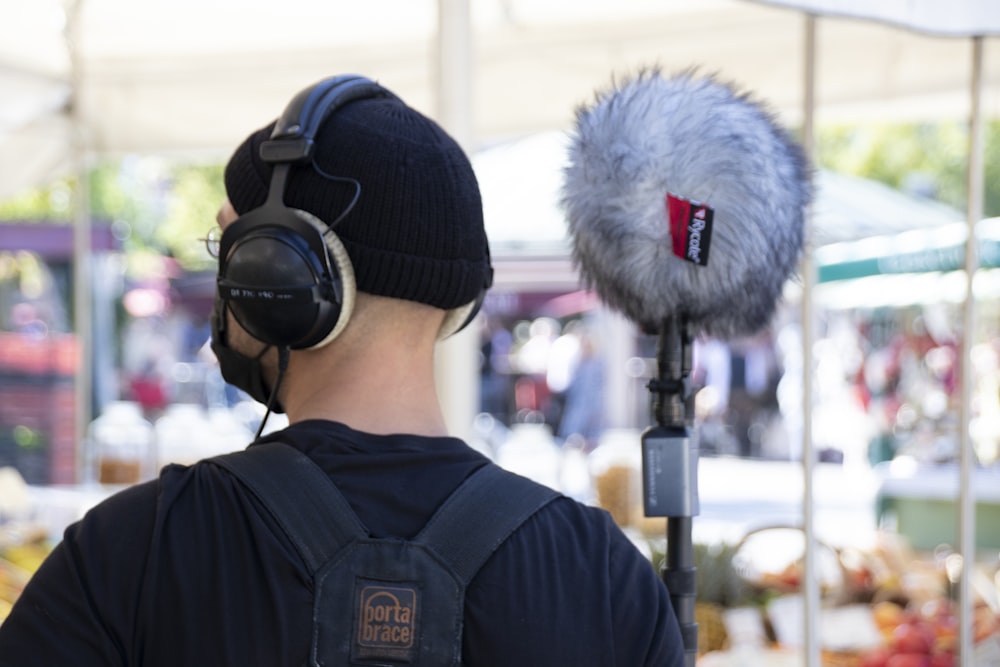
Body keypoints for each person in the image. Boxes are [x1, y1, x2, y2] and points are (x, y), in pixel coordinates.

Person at [0, 75, 685, 666]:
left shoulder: (133, 551)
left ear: (278, 275)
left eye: (229, 245)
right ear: (460, 302)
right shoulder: (604, 576)